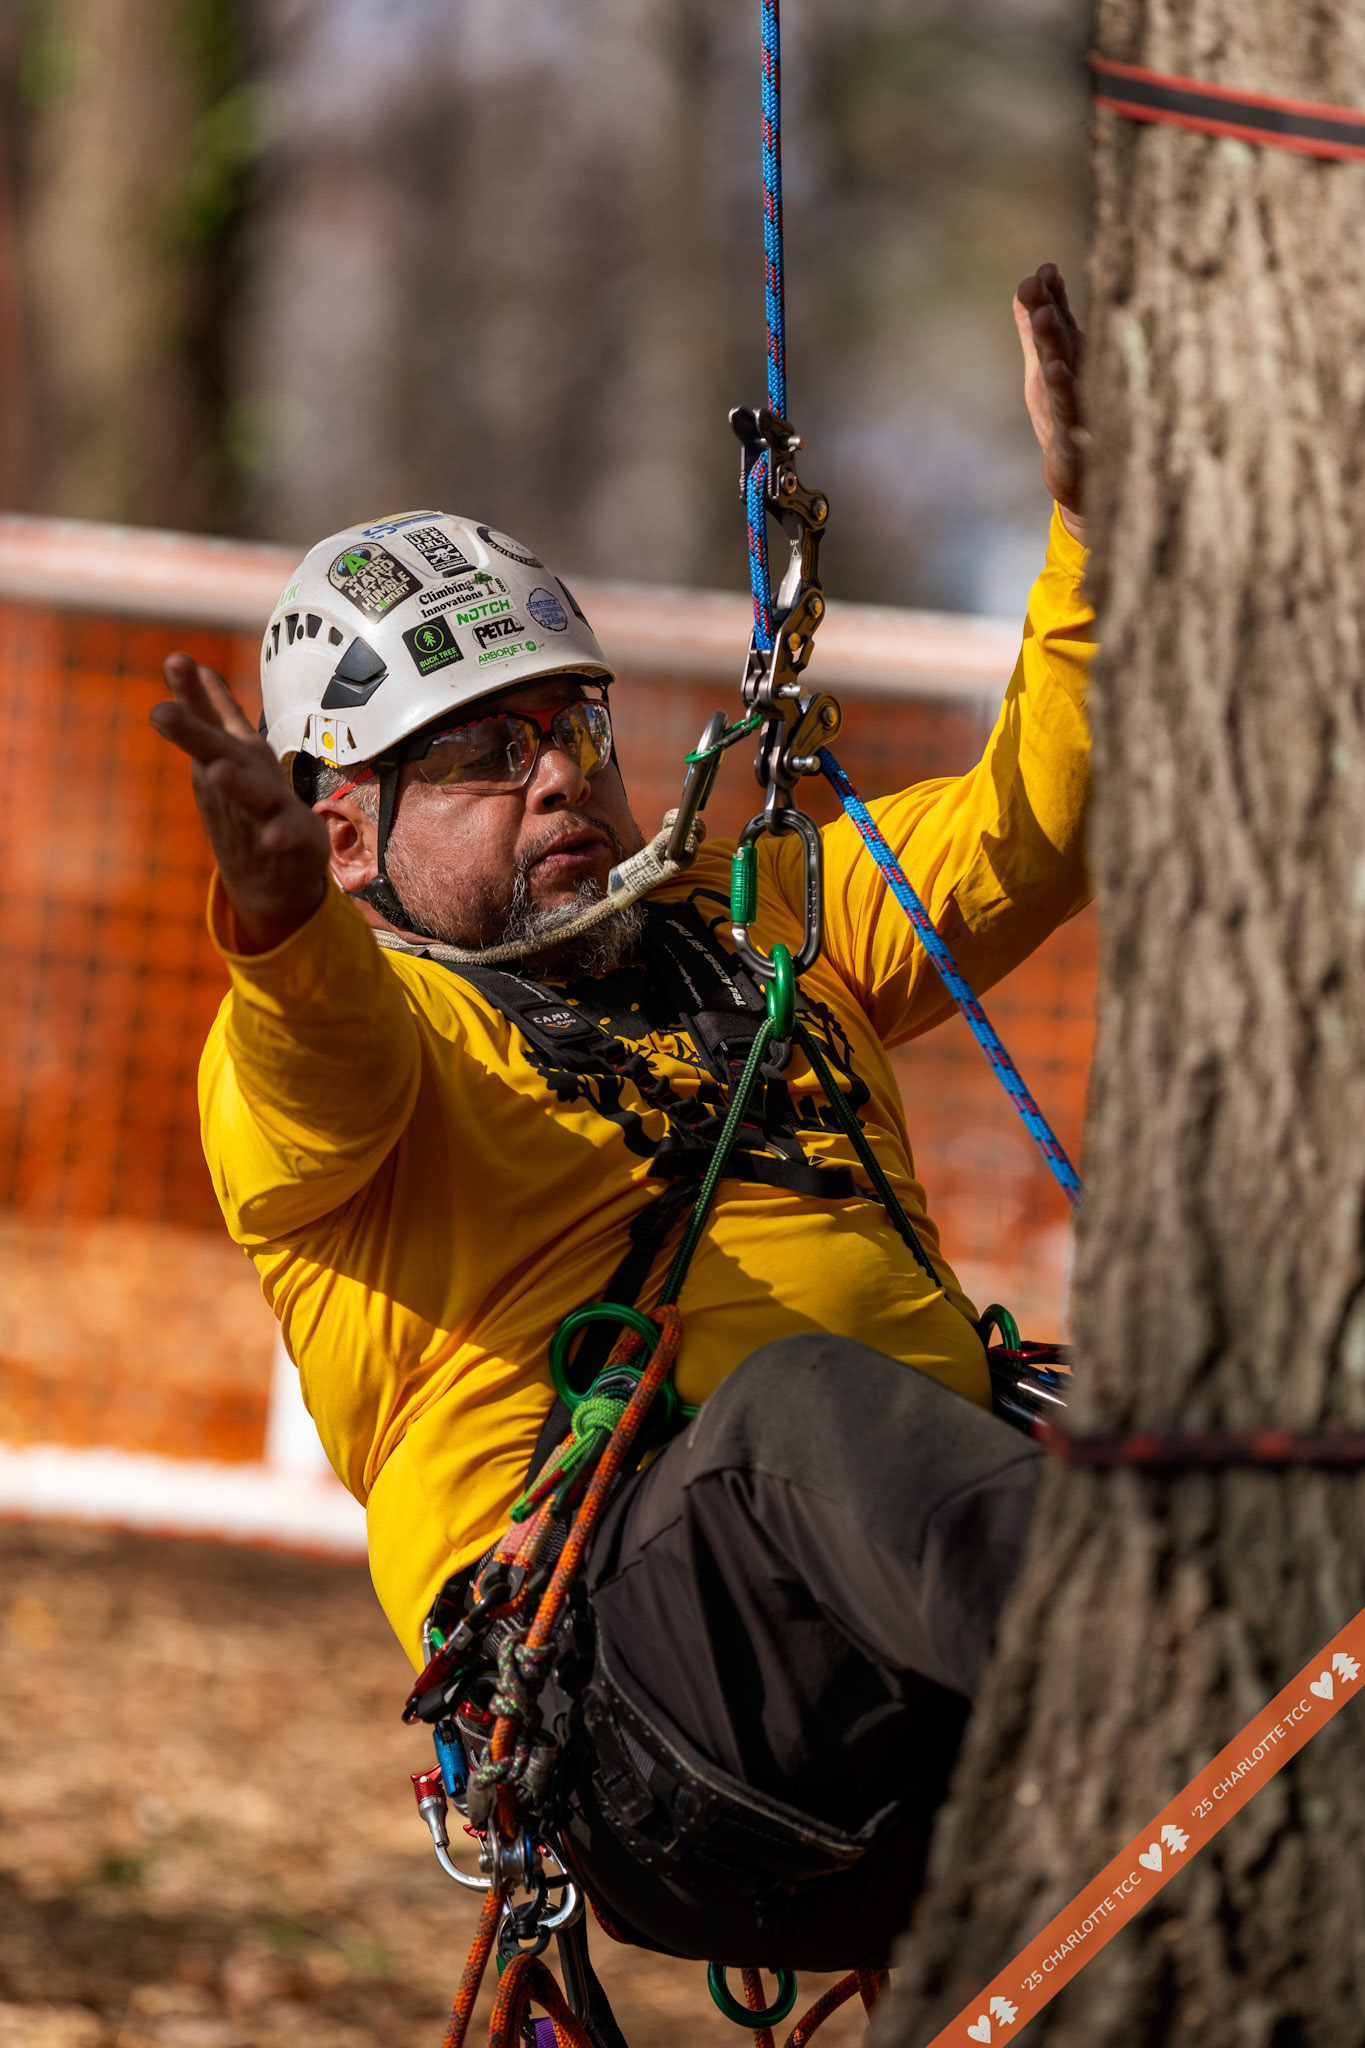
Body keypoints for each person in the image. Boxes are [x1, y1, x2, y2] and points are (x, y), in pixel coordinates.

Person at [151, 266, 1091, 1968]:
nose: (558, 775)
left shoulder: (759, 929)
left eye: (569, 723)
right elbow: (319, 1060)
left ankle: (1188, 1628)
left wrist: (1098, 528)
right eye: (476, 754)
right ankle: (1166, 1637)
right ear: (348, 836)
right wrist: (279, 925)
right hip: (653, 1714)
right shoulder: (369, 1042)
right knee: (800, 1411)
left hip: (929, 1660)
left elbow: (1034, 819)